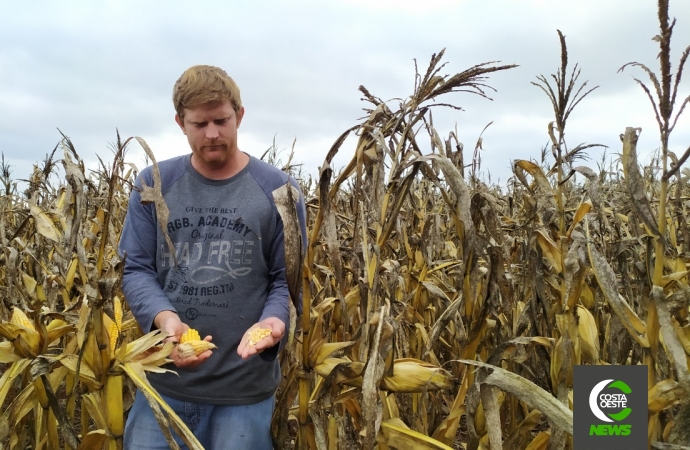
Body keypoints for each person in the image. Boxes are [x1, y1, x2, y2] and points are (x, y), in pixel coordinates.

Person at [119, 65, 307, 449]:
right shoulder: (152, 184)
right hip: (163, 378)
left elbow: (285, 279)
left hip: (243, 387)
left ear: (239, 114)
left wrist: (274, 319)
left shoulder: (280, 191)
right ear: (180, 123)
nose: (212, 134)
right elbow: (136, 268)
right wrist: (164, 319)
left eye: (221, 120)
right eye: (199, 124)